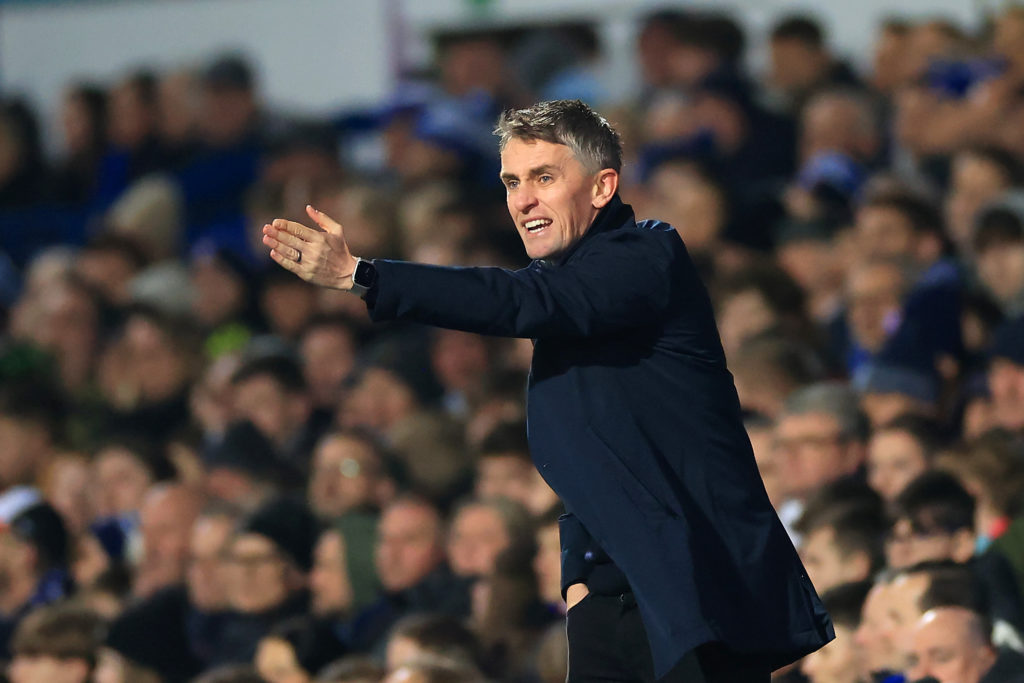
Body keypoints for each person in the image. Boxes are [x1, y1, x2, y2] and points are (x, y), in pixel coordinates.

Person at [263, 99, 833, 681]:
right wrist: (580, 579)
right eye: (512, 181)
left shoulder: (646, 256)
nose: (523, 200)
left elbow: (515, 301)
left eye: (544, 177)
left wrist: (362, 275)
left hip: (695, 586)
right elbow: (595, 447)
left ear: (602, 186)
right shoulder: (563, 283)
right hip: (612, 592)